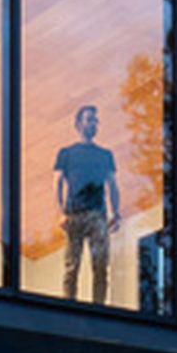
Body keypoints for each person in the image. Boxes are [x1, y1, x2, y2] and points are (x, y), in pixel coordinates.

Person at [52, 103, 120, 302]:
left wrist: (116, 213)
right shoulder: (66, 153)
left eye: (95, 121)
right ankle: (69, 307)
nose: (93, 124)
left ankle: (99, 308)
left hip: (98, 214)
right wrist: (61, 213)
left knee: (100, 265)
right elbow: (56, 182)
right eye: (89, 119)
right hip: (74, 214)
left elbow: (113, 185)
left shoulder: (105, 155)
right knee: (72, 266)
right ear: (79, 124)